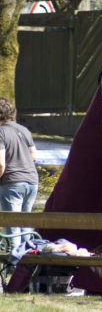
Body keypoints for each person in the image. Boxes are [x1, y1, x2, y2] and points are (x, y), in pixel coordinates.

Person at [0, 97, 39, 250]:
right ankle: (27, 258)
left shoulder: (1, 132)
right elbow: (34, 156)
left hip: (12, 182)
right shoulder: (24, 130)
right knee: (25, 224)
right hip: (32, 181)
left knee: (12, 227)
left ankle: (14, 260)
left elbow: (1, 163)